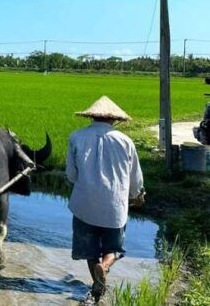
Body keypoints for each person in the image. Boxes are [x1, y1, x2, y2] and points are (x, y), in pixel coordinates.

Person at [66, 96, 145, 304]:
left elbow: (71, 175)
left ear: (91, 116)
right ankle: (106, 267)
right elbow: (135, 176)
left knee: (89, 250)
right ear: (114, 119)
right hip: (115, 206)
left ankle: (97, 284)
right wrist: (137, 195)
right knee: (113, 249)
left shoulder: (76, 137)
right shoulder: (125, 141)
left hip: (84, 204)